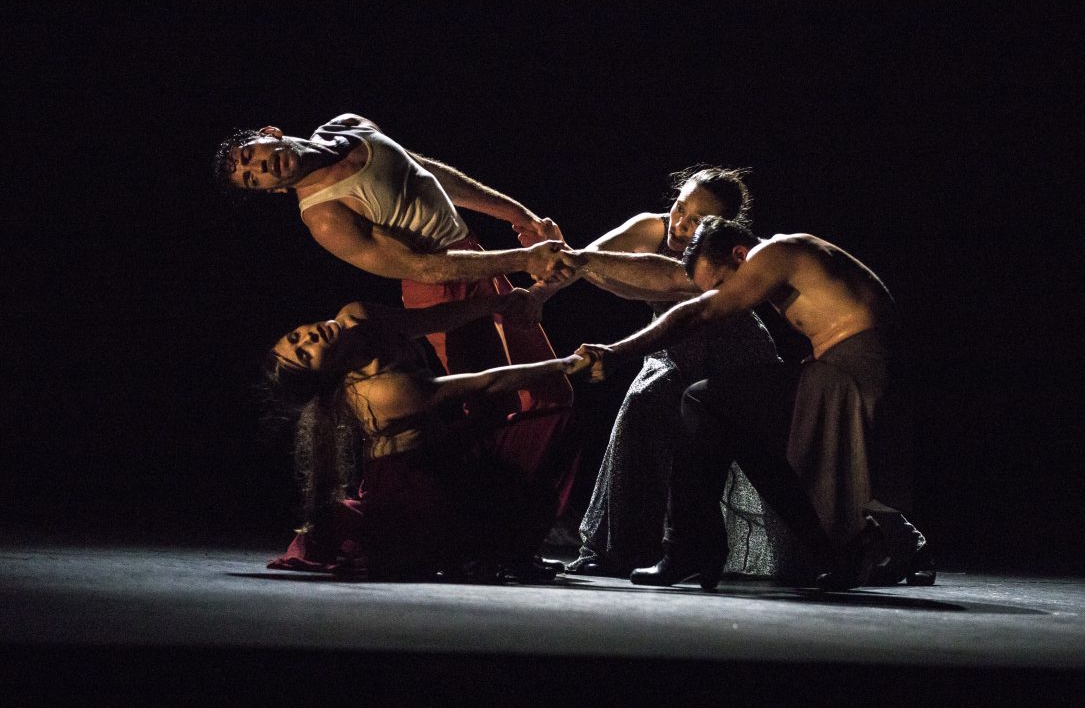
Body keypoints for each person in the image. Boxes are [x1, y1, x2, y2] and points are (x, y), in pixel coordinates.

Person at [568, 216, 933, 590]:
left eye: (721, 284)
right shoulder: (797, 254)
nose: (723, 295)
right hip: (850, 373)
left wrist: (615, 353)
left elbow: (701, 312)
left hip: (848, 378)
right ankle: (832, 552)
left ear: (740, 254)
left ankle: (689, 548)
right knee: (746, 435)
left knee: (700, 398)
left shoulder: (776, 251)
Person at [522, 166, 788, 579]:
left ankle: (889, 540)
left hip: (729, 353)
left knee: (772, 458)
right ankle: (622, 548)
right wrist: (537, 294)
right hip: (672, 349)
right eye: (681, 207)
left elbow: (659, 282)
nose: (681, 224)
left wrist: (587, 263)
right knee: (643, 415)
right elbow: (584, 262)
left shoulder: (717, 255)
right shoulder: (651, 226)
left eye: (697, 220)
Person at [214, 113, 572, 415]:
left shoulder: (348, 124)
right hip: (441, 290)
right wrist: (525, 259)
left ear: (269, 134)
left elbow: (428, 174)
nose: (261, 167)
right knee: (504, 408)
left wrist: (520, 216)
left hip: (473, 256)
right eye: (252, 178)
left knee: (551, 391)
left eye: (250, 156)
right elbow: (422, 268)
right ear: (273, 190)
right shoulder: (324, 216)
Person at [263, 291, 581, 582]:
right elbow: (485, 383)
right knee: (549, 423)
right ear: (324, 374)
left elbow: (434, 320)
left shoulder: (357, 315)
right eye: (305, 354)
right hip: (413, 487)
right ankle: (495, 551)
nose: (308, 337)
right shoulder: (382, 391)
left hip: (442, 454)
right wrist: (567, 365)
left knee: (520, 440)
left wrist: (495, 303)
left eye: (295, 337)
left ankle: (499, 548)